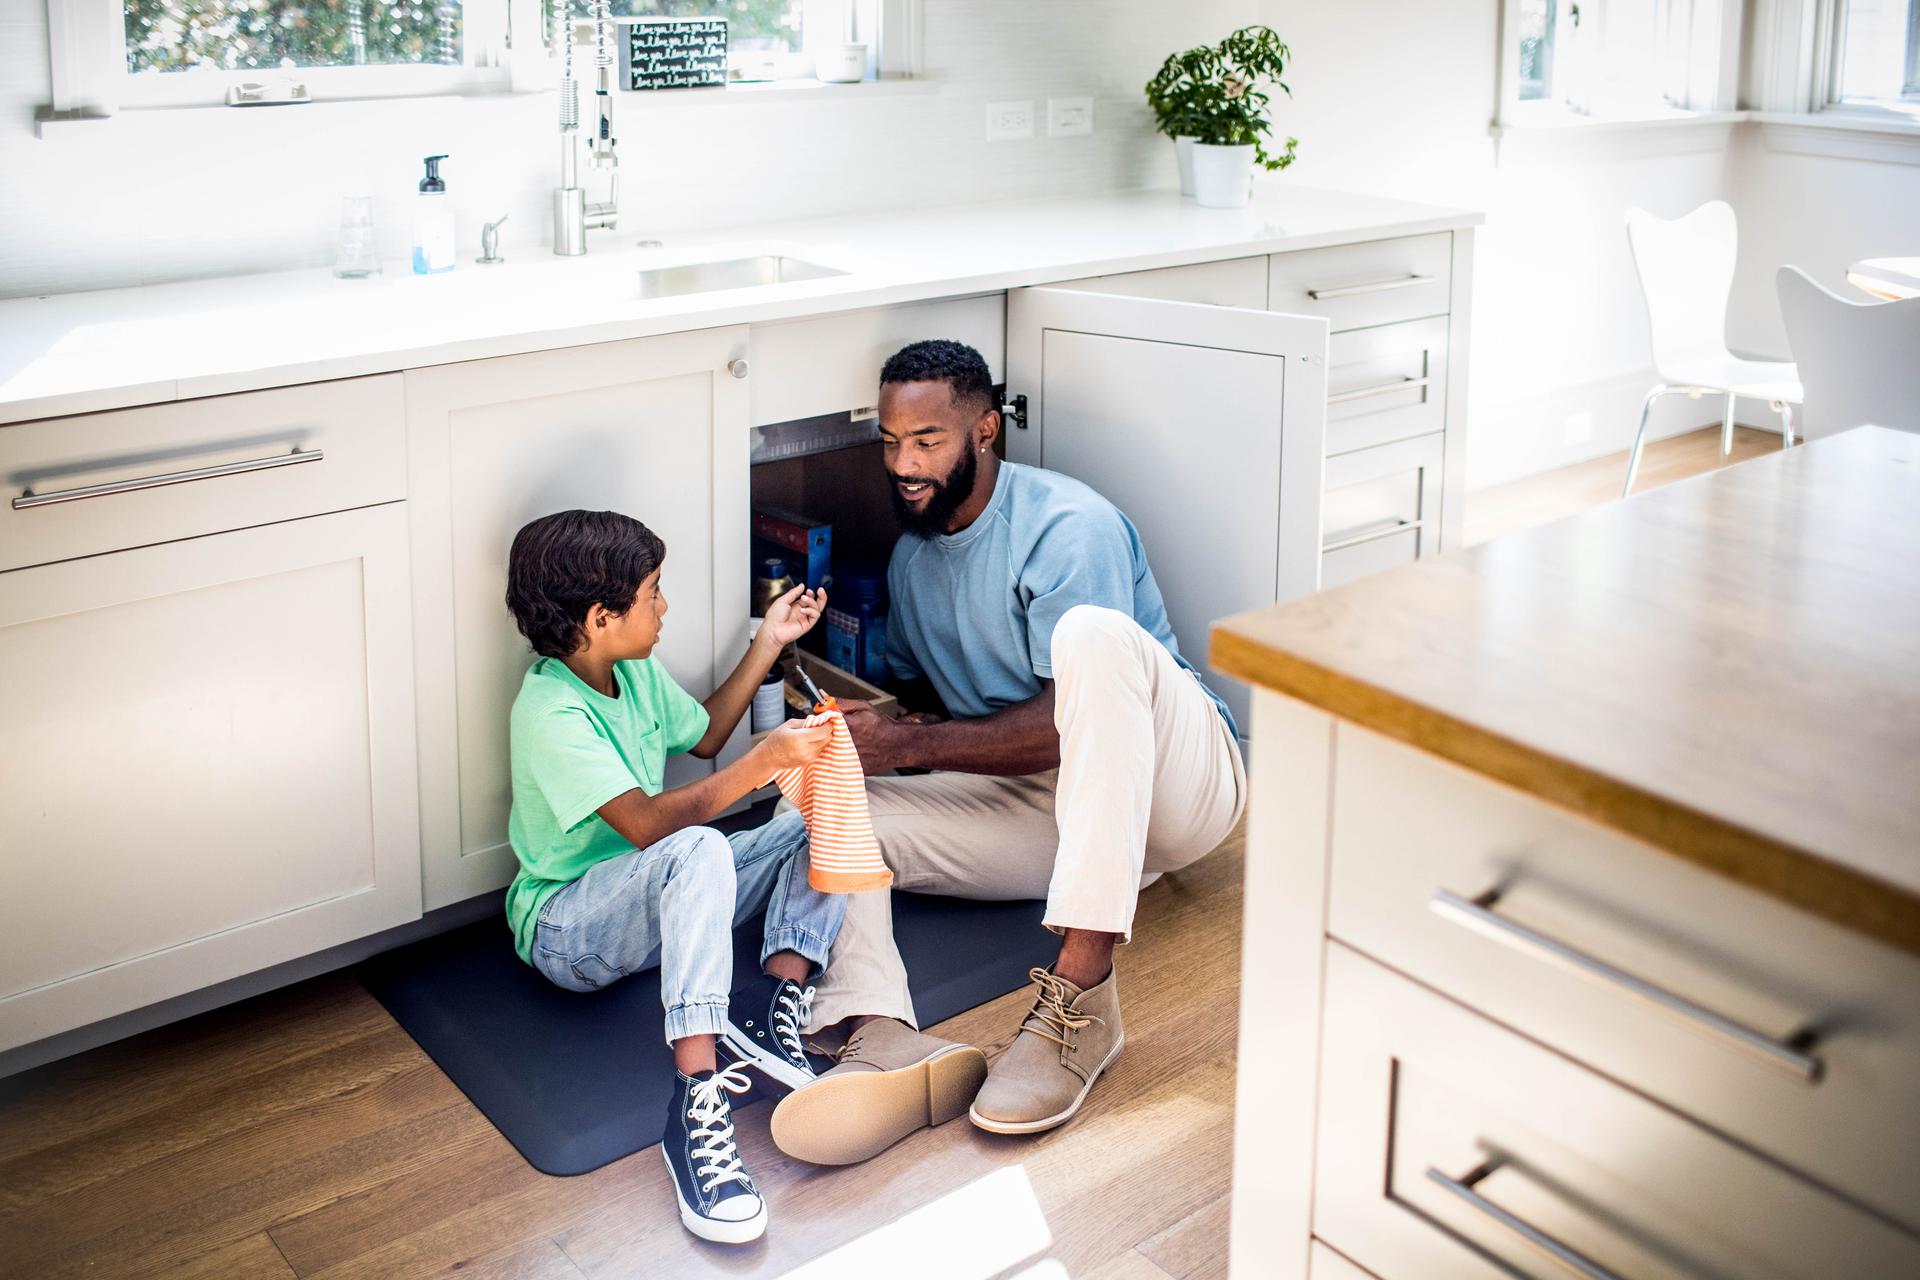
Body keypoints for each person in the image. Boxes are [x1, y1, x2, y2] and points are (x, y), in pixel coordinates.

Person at [770, 340, 1246, 1158]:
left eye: (928, 440)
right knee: (821, 797)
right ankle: (877, 1031)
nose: (904, 464)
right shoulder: (912, 563)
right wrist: (867, 734)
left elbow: (1070, 718)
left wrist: (909, 745)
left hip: (1176, 788)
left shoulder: (1069, 526)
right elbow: (932, 711)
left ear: (985, 430)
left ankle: (1082, 997)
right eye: (890, 442)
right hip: (1050, 814)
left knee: (1092, 638)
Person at [501, 508, 842, 1244]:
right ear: (599, 617)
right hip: (570, 931)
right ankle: (695, 1099)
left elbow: (710, 733)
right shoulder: (550, 712)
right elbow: (652, 827)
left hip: (656, 901)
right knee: (700, 847)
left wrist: (769, 643)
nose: (665, 606)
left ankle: (775, 1000)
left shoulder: (635, 671)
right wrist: (766, 761)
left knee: (819, 812)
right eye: (654, 592)